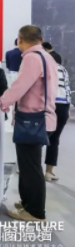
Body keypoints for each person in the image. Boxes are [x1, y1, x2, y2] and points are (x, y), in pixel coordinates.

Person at [0, 25, 58, 221]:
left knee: (30, 168)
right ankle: (27, 203)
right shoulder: (47, 57)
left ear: (20, 40)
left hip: (33, 121)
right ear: (40, 39)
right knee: (28, 165)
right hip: (43, 119)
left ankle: (35, 212)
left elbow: (19, 87)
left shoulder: (32, 58)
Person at [45, 50, 71, 182]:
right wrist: (67, 109)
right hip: (63, 106)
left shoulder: (45, 67)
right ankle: (49, 172)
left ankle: (28, 168)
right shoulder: (64, 70)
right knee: (54, 139)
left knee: (38, 138)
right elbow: (67, 90)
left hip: (48, 105)